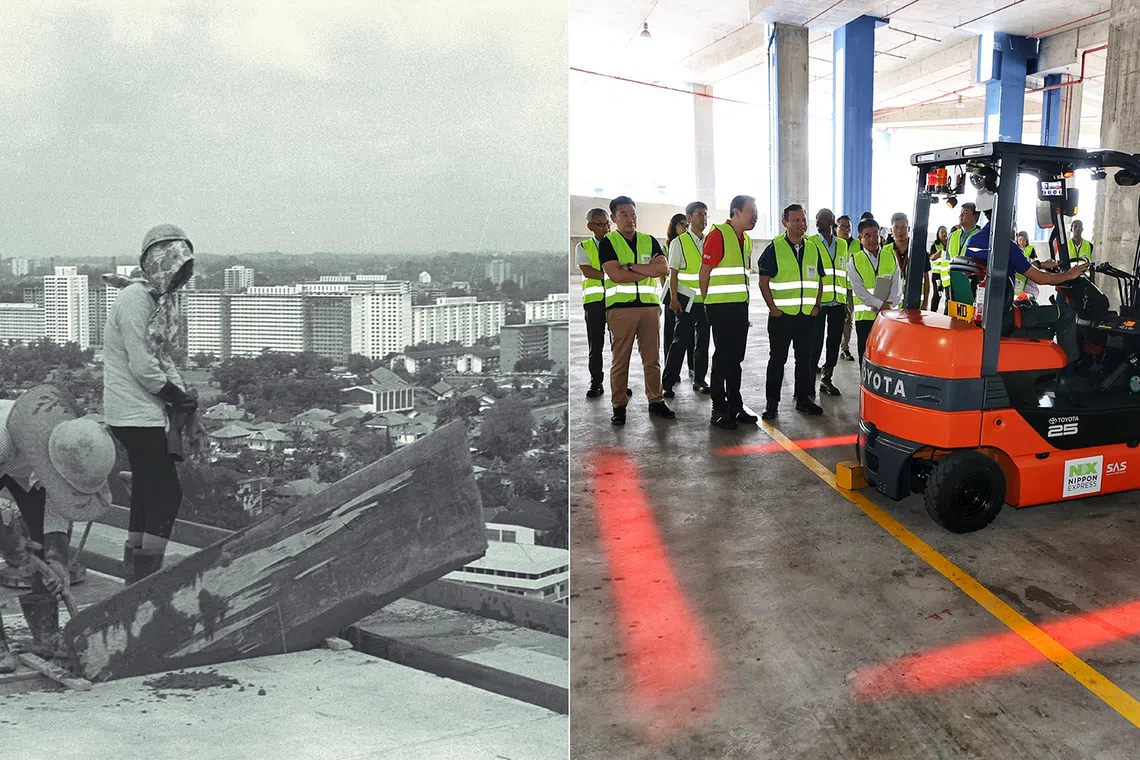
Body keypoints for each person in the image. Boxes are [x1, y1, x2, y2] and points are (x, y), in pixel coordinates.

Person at [103, 224, 199, 582]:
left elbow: (162, 358)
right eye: (175, 269)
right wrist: (176, 396)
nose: (179, 279)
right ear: (158, 263)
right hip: (133, 413)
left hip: (141, 412)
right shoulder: (135, 300)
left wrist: (183, 394)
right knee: (167, 493)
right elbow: (142, 365)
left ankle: (136, 574)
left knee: (146, 490)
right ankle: (148, 574)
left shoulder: (153, 300)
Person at [0, 385, 116, 670]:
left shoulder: (66, 447)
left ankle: (46, 636)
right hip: (6, 454)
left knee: (41, 539)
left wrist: (56, 560)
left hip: (21, 468)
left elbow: (56, 511)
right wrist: (7, 540)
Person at [962, 219, 1088, 385]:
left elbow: (1019, 265)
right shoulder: (1007, 246)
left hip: (986, 312)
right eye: (1014, 228)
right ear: (1010, 223)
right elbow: (1042, 279)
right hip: (1004, 316)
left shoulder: (973, 241)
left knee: (1031, 304)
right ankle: (1069, 374)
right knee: (1066, 313)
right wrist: (1069, 275)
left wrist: (1041, 264)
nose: (1015, 234)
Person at [597, 197, 674, 425]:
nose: (630, 219)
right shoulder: (608, 243)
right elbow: (616, 275)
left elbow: (663, 268)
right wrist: (647, 270)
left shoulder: (649, 241)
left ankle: (656, 401)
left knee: (652, 359)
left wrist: (630, 266)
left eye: (633, 214)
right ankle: (619, 406)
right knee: (621, 360)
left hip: (649, 308)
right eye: (624, 215)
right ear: (613, 218)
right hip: (621, 310)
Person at [758, 204, 824, 420]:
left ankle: (803, 399)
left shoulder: (813, 248)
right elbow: (763, 282)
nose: (801, 224)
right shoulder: (774, 248)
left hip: (806, 316)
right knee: (777, 359)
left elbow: (820, 280)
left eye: (803, 220)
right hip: (782, 318)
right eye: (796, 220)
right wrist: (774, 309)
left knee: (805, 360)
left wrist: (816, 306)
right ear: (784, 222)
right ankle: (772, 403)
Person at [700, 195, 758, 429]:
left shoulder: (745, 240)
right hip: (720, 309)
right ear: (736, 212)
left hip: (739, 308)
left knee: (736, 359)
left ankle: (736, 405)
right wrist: (709, 304)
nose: (755, 216)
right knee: (722, 359)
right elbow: (704, 274)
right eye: (751, 211)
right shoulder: (719, 235)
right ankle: (719, 409)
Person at [662, 201, 711, 397]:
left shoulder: (709, 241)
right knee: (680, 342)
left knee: (703, 343)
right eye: (699, 214)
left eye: (705, 214)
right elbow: (673, 273)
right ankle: (667, 381)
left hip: (706, 302)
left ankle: (699, 379)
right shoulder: (678, 242)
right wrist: (674, 299)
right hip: (686, 301)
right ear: (689, 218)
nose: (703, 218)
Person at [848, 217, 901, 363]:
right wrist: (879, 304)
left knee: (886, 356)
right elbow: (859, 290)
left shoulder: (890, 256)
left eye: (875, 234)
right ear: (860, 238)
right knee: (865, 357)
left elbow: (897, 285)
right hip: (865, 318)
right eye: (867, 235)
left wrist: (890, 304)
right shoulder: (855, 260)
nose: (872, 239)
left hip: (888, 316)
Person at [807, 208, 848, 397]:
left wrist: (846, 302)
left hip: (838, 303)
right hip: (818, 303)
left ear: (832, 221)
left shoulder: (842, 245)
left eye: (822, 218)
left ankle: (827, 378)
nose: (818, 222)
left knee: (833, 342)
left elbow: (844, 275)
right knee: (814, 341)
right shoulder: (811, 243)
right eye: (817, 219)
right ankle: (808, 382)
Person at [575, 208, 611, 398]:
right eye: (600, 224)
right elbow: (588, 272)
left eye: (607, 223)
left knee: (619, 346)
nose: (605, 227)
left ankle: (621, 383)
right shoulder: (583, 247)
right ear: (590, 226)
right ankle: (596, 382)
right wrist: (614, 275)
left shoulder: (617, 244)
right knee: (595, 346)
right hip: (594, 304)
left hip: (616, 301)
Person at [661, 213, 693, 385]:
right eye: (681, 224)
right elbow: (663, 273)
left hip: (689, 296)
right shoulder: (668, 246)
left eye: (686, 225)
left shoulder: (691, 244)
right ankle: (671, 371)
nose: (685, 228)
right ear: (673, 226)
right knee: (671, 334)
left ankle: (692, 368)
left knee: (689, 336)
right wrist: (669, 295)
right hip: (673, 296)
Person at [881, 213, 931, 310]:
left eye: (903, 227)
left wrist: (925, 303)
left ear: (908, 229)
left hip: (915, 305)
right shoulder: (885, 251)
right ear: (891, 230)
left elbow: (926, 278)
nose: (900, 231)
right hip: (892, 306)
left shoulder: (919, 250)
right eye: (896, 227)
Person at [937, 204, 983, 310]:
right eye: (961, 213)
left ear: (975, 217)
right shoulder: (953, 235)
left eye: (965, 213)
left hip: (970, 284)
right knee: (950, 314)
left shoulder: (980, 236)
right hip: (951, 283)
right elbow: (946, 260)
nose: (961, 216)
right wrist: (946, 282)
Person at [836, 214, 857, 362]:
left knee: (848, 319)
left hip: (850, 289)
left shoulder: (857, 244)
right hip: (835, 288)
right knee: (833, 320)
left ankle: (845, 348)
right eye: (842, 226)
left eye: (848, 226)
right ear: (836, 228)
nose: (846, 229)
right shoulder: (833, 244)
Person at [928, 225, 949, 312]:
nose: (944, 234)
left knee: (948, 295)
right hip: (937, 274)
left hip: (947, 274)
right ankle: (933, 311)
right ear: (938, 234)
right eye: (942, 232)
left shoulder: (950, 243)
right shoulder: (935, 245)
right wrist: (940, 251)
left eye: (945, 232)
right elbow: (932, 257)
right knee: (937, 294)